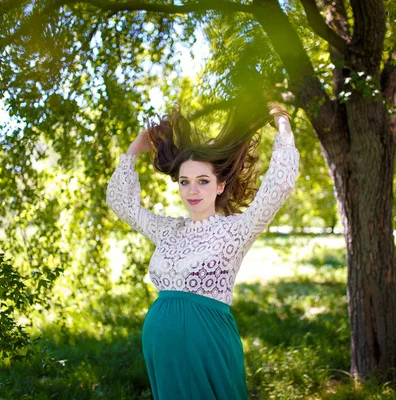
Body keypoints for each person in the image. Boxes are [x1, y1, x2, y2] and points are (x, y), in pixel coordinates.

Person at [105, 100, 300, 400]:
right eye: (185, 182)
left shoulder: (235, 230)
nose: (192, 191)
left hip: (208, 344)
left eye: (202, 181)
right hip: (162, 348)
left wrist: (283, 123)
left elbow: (279, 186)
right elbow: (121, 203)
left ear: (220, 186)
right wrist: (133, 150)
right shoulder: (167, 230)